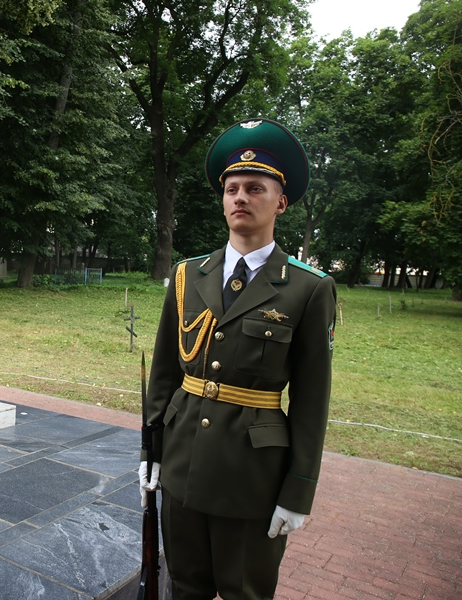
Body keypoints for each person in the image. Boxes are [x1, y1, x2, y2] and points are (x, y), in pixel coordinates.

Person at [138, 118, 337, 599]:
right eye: (231, 189)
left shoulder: (309, 288)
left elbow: (312, 402)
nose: (240, 197)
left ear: (281, 202)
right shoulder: (189, 275)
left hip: (252, 477)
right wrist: (153, 450)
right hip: (183, 462)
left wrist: (298, 491)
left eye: (254, 187)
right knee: (185, 586)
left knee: (245, 591)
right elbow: (165, 373)